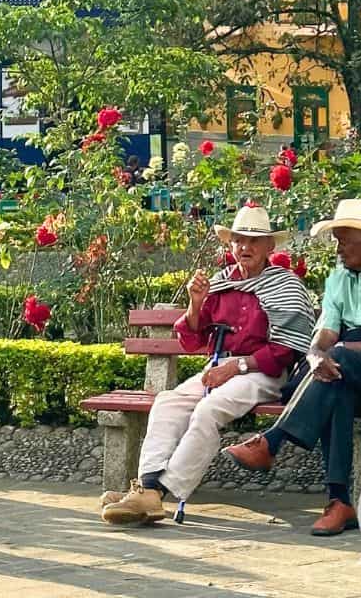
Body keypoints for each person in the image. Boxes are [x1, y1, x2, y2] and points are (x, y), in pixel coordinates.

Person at [224, 199, 361, 536]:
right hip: (347, 371)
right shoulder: (338, 278)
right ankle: (339, 502)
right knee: (336, 385)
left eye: (344, 240)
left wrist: (341, 349)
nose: (338, 248)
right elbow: (324, 335)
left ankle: (272, 442)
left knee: (341, 362)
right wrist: (314, 356)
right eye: (336, 239)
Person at [101, 205, 314, 525]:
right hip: (221, 369)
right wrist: (196, 303)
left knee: (207, 410)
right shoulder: (220, 283)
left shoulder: (285, 285)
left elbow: (286, 351)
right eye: (239, 240)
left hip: (262, 373)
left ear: (270, 247)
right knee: (167, 401)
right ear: (230, 245)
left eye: (254, 241)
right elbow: (192, 340)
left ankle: (157, 492)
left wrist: (236, 367)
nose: (245, 247)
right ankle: (145, 485)